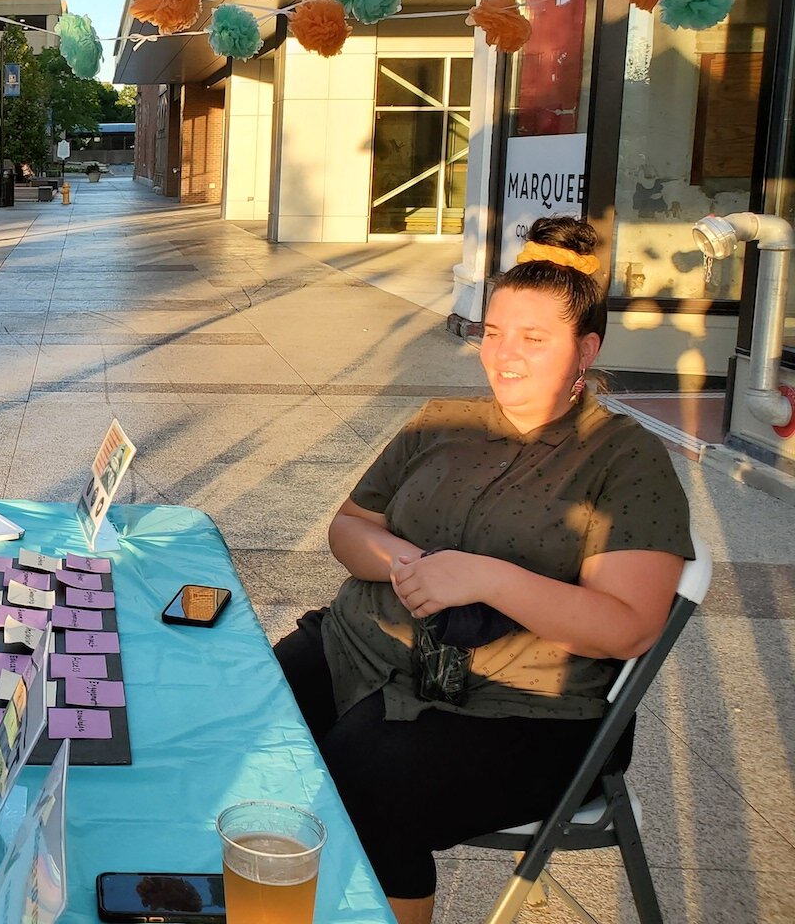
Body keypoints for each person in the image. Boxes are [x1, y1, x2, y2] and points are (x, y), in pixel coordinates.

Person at [271, 216, 692, 924]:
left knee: (361, 777)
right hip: (360, 647)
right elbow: (350, 526)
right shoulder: (439, 422)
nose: (504, 356)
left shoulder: (626, 460)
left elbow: (626, 629)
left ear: (586, 349)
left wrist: (487, 578)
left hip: (519, 702)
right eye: (493, 333)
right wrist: (413, 564)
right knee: (244, 718)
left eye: (534, 339)